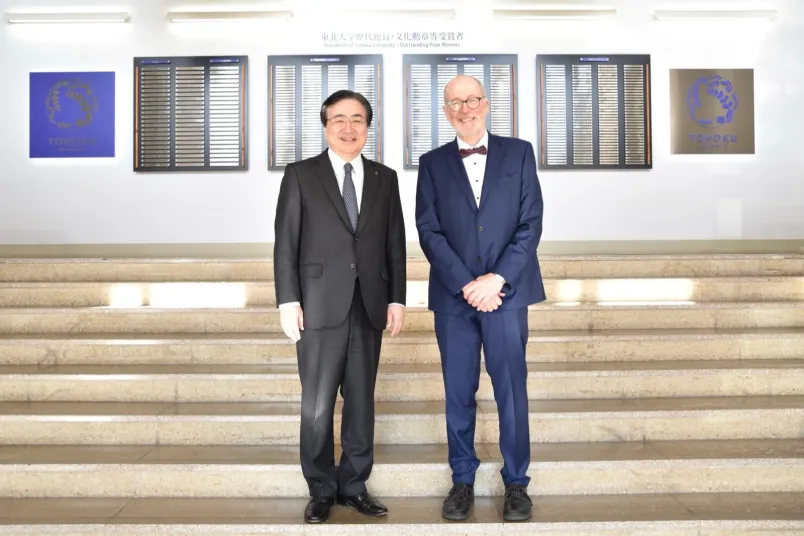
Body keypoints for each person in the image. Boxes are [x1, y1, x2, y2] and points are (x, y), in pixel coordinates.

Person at [415, 75, 545, 522]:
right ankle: (462, 479)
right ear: (446, 110)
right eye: (455, 102)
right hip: (455, 299)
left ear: (486, 104)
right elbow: (428, 231)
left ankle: (516, 483)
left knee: (511, 391)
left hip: (507, 295)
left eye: (471, 100)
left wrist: (496, 280)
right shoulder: (431, 163)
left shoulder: (519, 152)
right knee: (458, 392)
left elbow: (531, 223)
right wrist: (468, 284)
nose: (464, 108)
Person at [274, 89, 407, 524]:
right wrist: (287, 300)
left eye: (358, 120)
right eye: (339, 120)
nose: (349, 128)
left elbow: (394, 243)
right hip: (317, 305)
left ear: (368, 127)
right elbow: (286, 243)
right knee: (316, 404)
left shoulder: (385, 178)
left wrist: (397, 298)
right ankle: (319, 489)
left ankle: (353, 485)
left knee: (361, 401)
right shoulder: (300, 175)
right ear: (325, 125)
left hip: (368, 304)